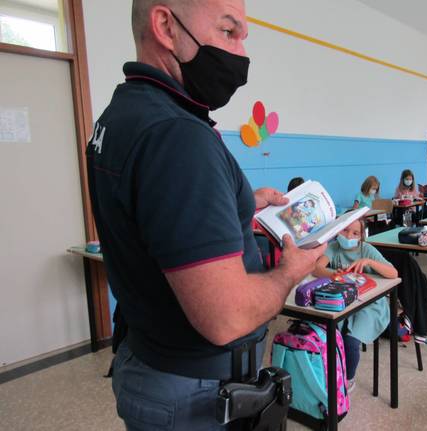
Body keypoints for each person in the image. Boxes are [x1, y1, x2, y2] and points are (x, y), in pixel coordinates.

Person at [87, 1, 327, 429]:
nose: (240, 54)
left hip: (148, 360)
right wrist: (291, 271)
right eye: (227, 32)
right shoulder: (178, 136)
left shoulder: (120, 115)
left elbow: (151, 212)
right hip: (194, 393)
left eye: (243, 38)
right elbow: (226, 317)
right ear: (165, 25)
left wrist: (233, 202)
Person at [312, 217, 396, 392]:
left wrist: (369, 262)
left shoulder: (367, 249)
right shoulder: (333, 247)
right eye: (345, 230)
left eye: (355, 233)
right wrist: (334, 273)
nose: (349, 235)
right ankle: (329, 374)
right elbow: (316, 269)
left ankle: (348, 380)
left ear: (361, 236)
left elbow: (393, 273)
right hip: (343, 303)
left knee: (350, 341)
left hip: (371, 305)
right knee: (328, 336)